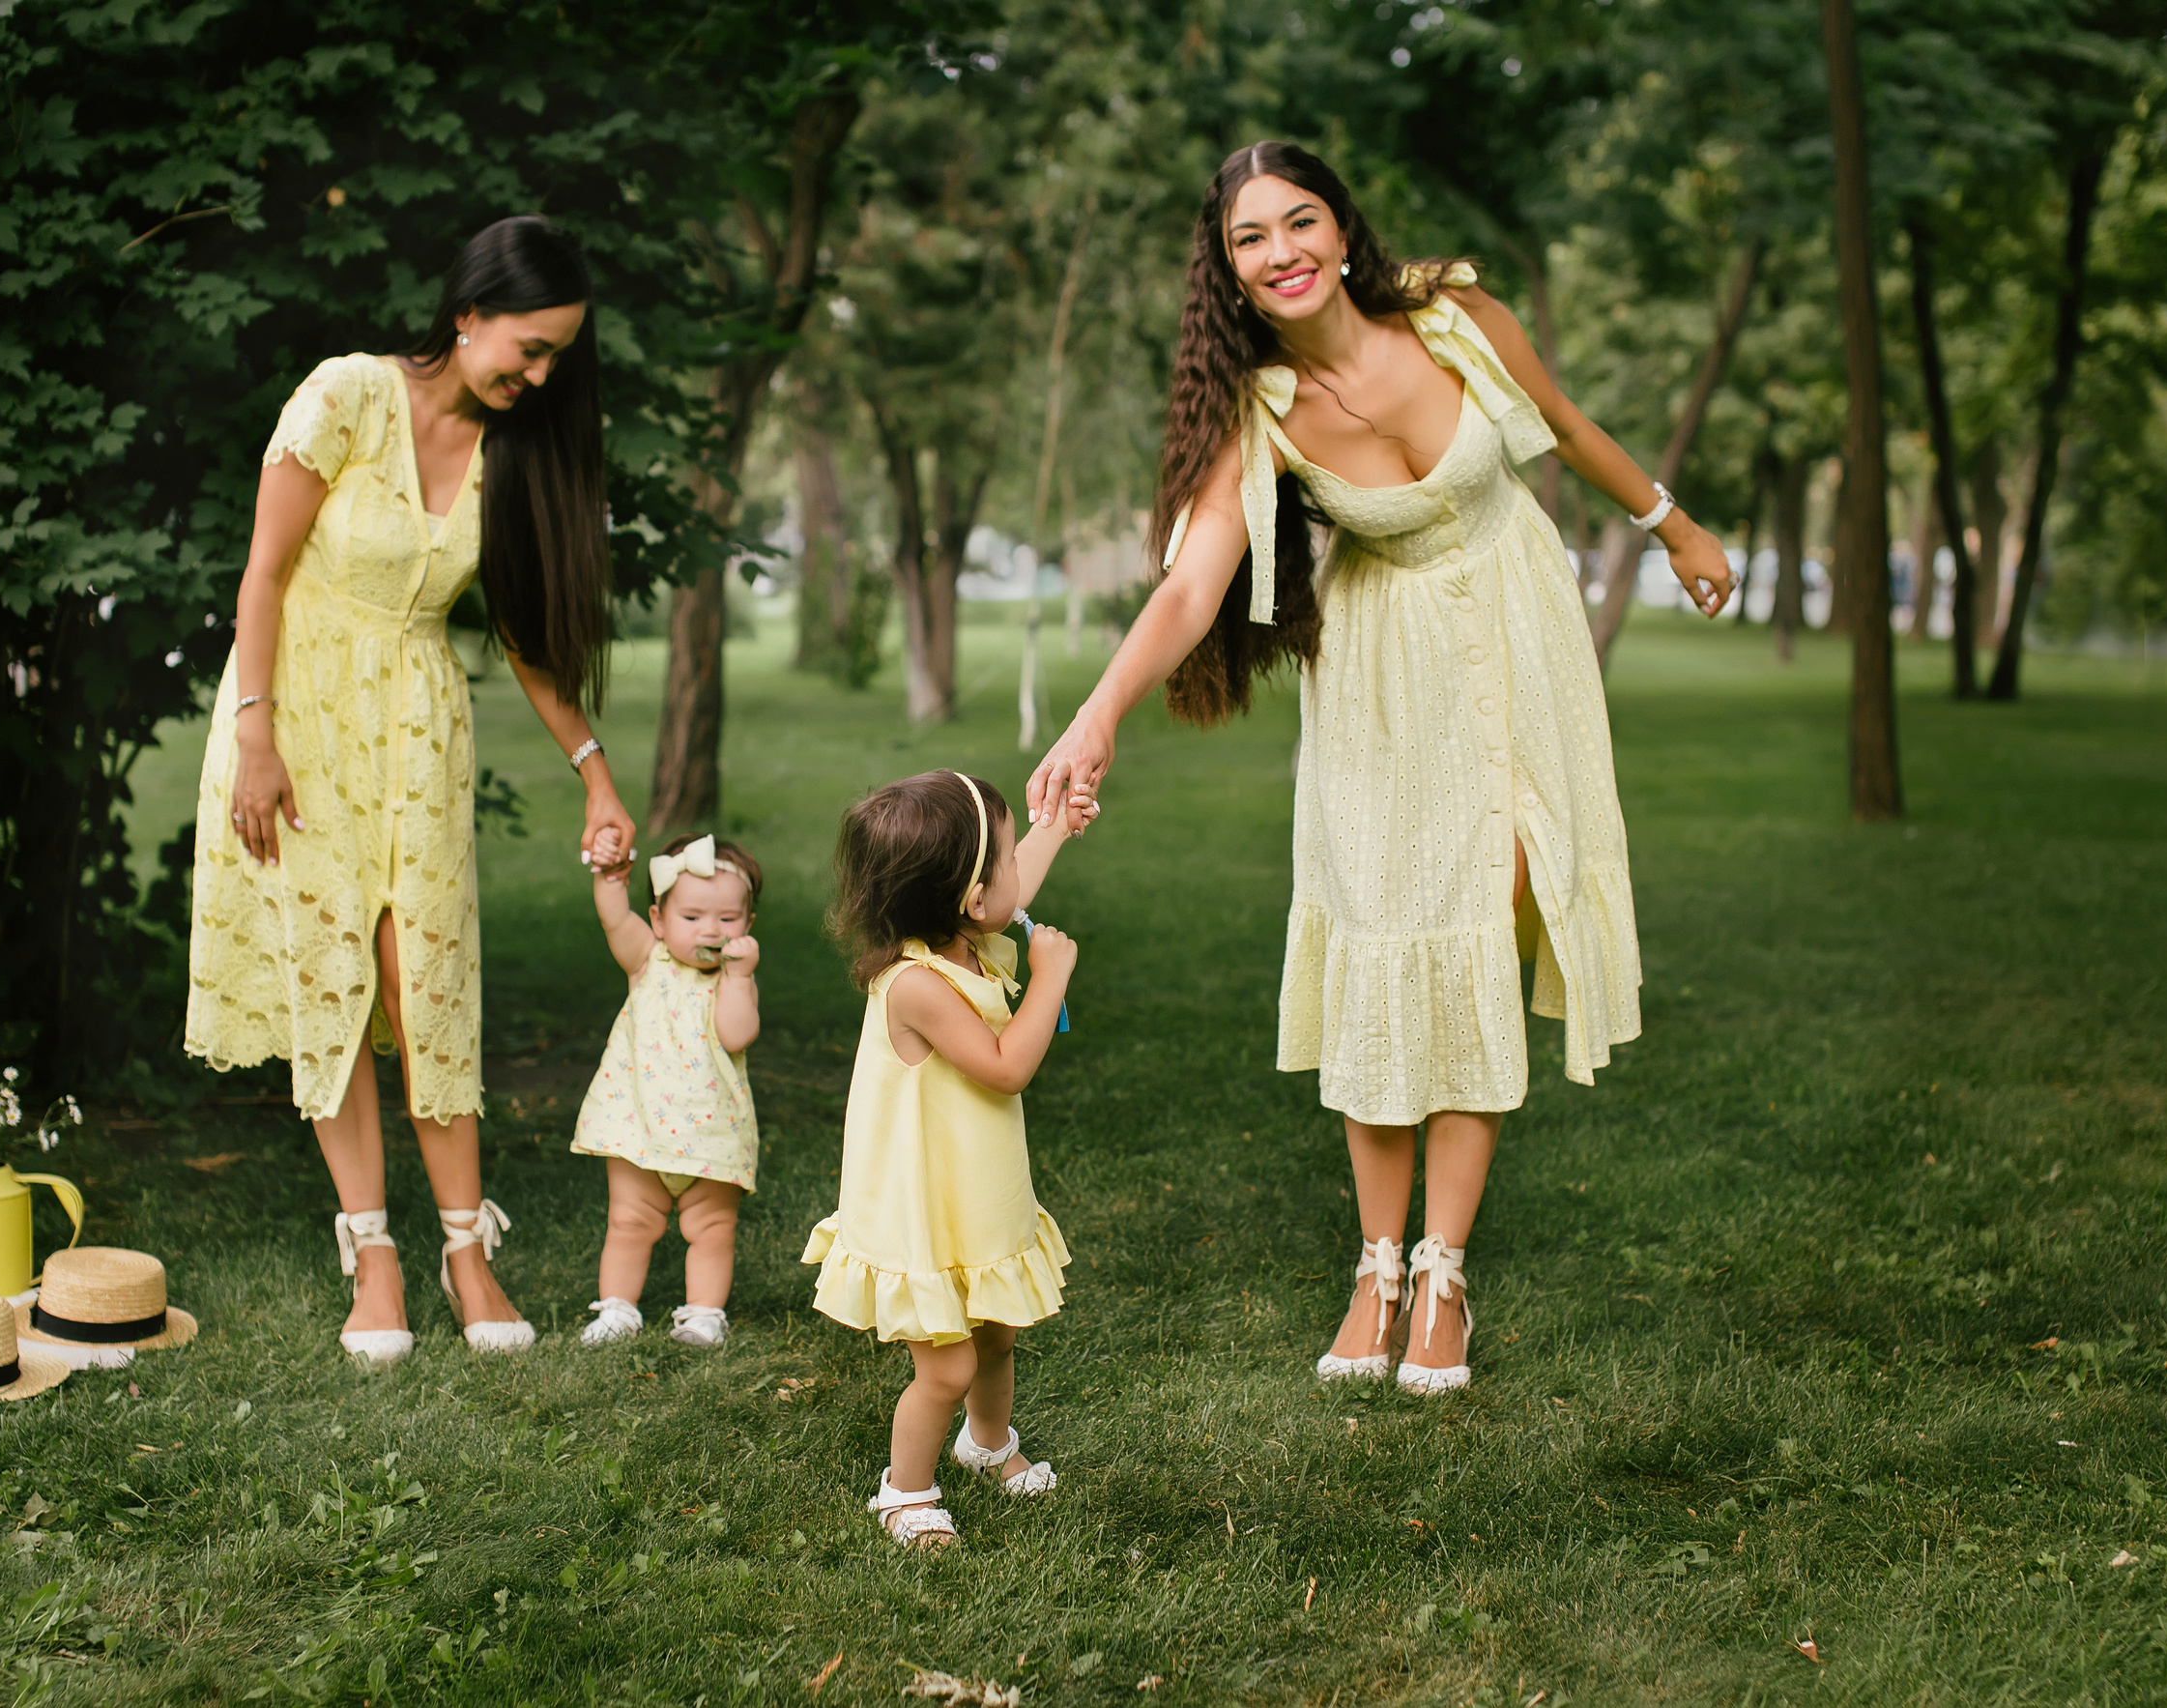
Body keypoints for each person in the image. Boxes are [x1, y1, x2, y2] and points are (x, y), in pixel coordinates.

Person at [1027, 143, 1735, 1396]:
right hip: (1385, 681)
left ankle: (1445, 1268)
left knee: (1484, 933)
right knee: (1391, 941)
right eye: (1252, 238)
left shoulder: (1456, 316)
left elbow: (1562, 425)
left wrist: (1670, 522)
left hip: (1519, 635)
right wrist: (1096, 717)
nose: (1282, 250)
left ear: (1343, 232)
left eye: (1300, 221)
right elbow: (1195, 580)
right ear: (1230, 269)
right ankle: (1376, 1263)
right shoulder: (1257, 408)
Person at [185, 216, 635, 1365]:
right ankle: (373, 1254)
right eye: (526, 349)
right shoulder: (346, 396)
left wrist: (595, 775)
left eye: (553, 362)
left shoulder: (514, 451)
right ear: (467, 311)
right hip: (298, 716)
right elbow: (265, 572)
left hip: (420, 730)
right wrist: (256, 736)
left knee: (422, 979)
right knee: (335, 972)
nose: (535, 378)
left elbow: (527, 639)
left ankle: (465, 1253)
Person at [804, 771, 1089, 1548]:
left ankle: (985, 1442)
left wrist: (1054, 824)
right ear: (968, 897)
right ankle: (906, 1490)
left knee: (997, 1332)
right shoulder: (918, 984)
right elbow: (1004, 1065)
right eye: (1000, 855)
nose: (1013, 869)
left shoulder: (965, 941)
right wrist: (1051, 977)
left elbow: (1009, 887)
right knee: (947, 1368)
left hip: (975, 1192)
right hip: (920, 1209)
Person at [569, 830, 764, 1350]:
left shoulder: (732, 979)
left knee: (713, 1225)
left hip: (711, 1133)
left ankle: (703, 1313)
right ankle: (617, 1308)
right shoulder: (646, 959)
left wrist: (742, 978)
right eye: (692, 917)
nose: (711, 930)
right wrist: (610, 875)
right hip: (639, 1126)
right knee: (629, 1220)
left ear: (748, 926)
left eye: (728, 919)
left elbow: (737, 1034)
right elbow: (614, 915)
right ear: (658, 921)